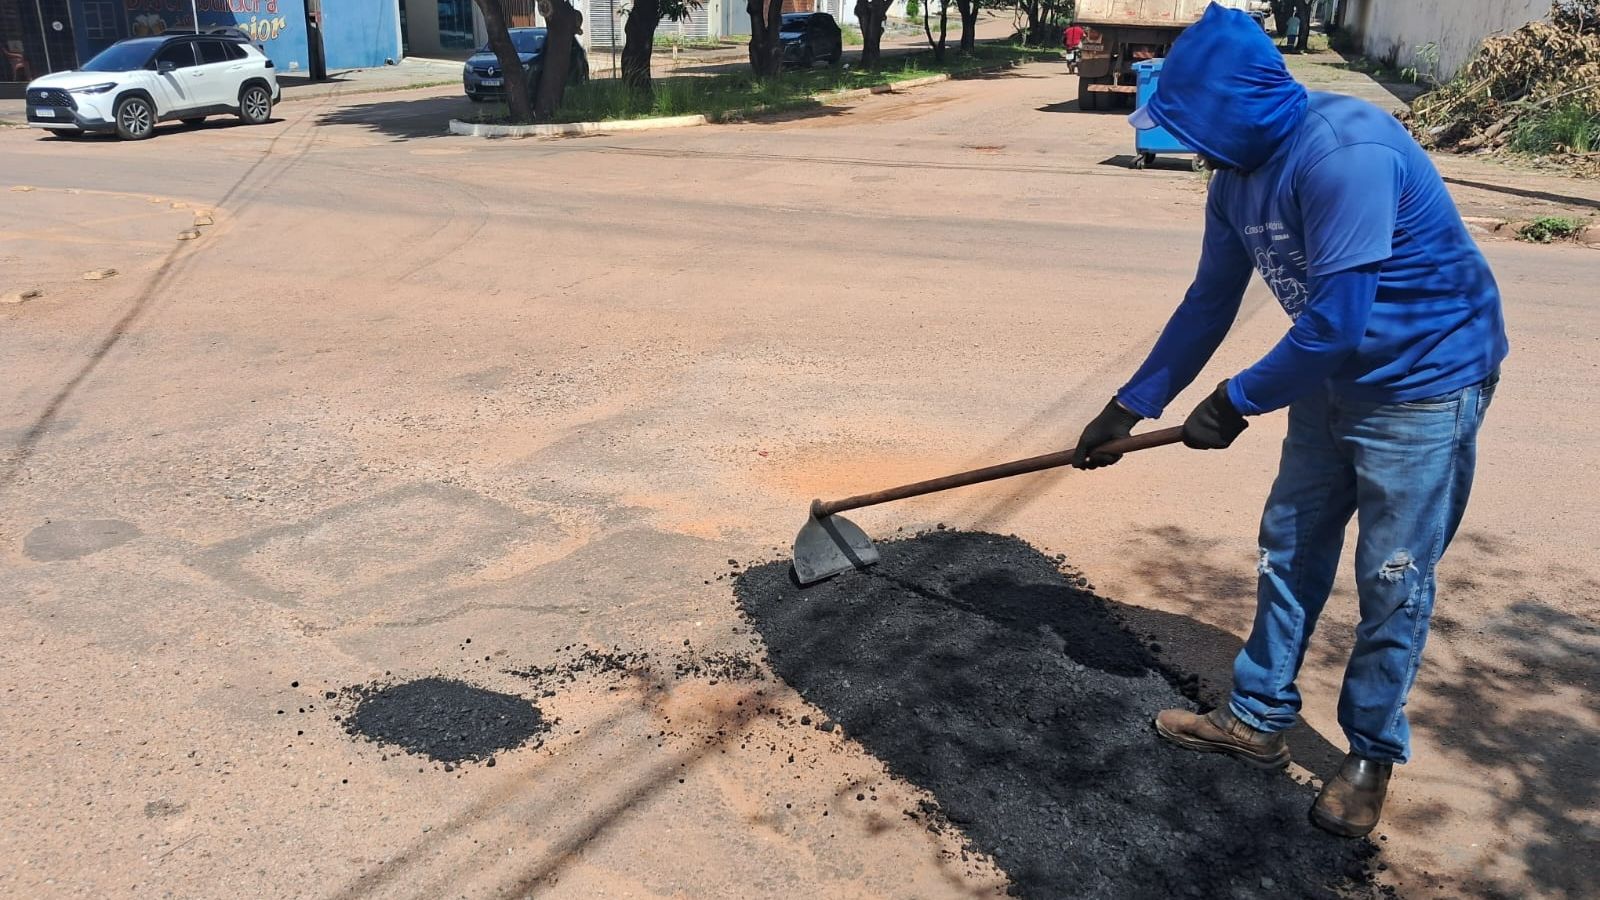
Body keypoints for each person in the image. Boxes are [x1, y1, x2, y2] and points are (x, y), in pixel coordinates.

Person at [1070, 4, 1506, 839]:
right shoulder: (1234, 178)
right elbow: (1210, 301)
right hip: (1328, 378)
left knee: (1391, 577)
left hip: (1426, 382)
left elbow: (1336, 323)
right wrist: (1127, 407)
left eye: (1192, 123)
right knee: (1290, 549)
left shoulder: (1347, 154)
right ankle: (1257, 721)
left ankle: (1372, 753)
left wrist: (1235, 402)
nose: (1189, 144)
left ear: (1233, 108)